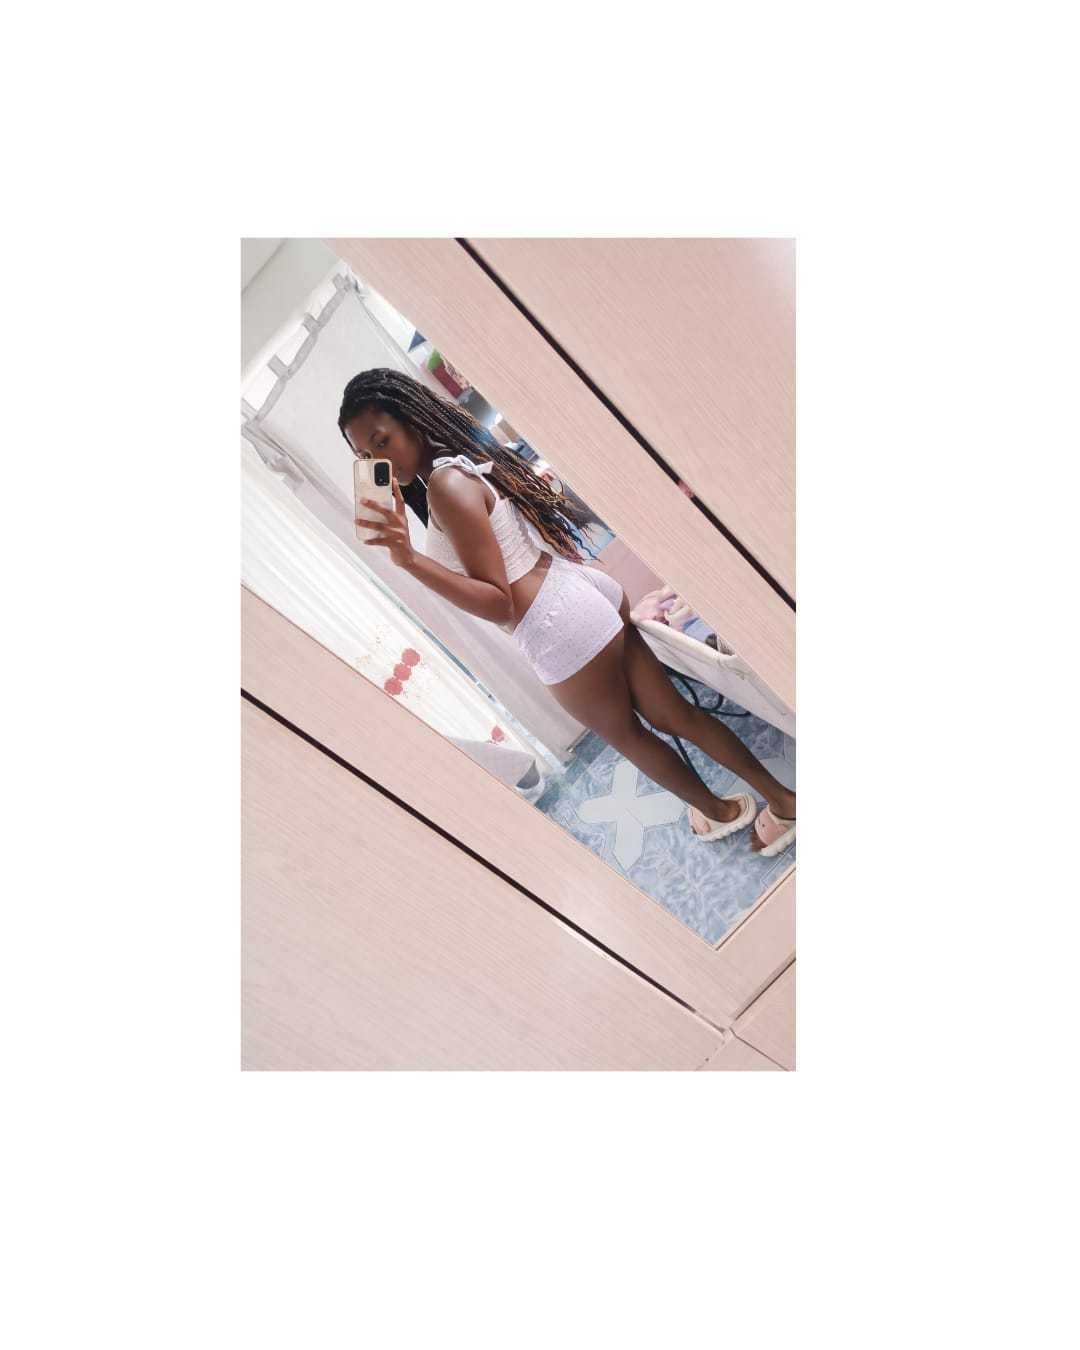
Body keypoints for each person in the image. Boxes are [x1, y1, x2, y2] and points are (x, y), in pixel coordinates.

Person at [337, 368, 795, 854]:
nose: (380, 460)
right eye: (366, 456)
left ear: (412, 421)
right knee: (675, 714)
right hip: (581, 593)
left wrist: (409, 560)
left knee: (633, 739)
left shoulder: (445, 487)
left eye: (383, 440)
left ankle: (720, 812)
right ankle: (783, 801)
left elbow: (498, 600)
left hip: (556, 629)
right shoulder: (458, 465)